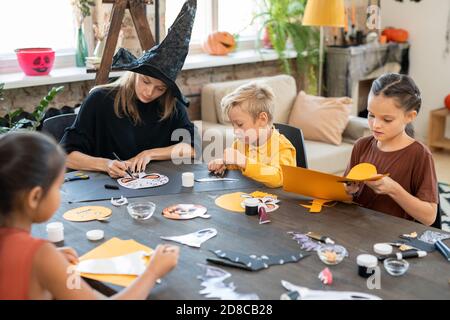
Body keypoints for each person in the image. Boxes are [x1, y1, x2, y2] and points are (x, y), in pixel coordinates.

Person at [0, 132, 179, 299]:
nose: (61, 193)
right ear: (35, 197)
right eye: (58, 187)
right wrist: (152, 272)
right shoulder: (42, 256)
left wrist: (51, 263)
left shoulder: (40, 256)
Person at [61, 0, 198, 178]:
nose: (149, 93)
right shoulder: (100, 100)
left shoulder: (170, 104)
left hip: (156, 187)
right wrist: (106, 164)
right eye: (146, 81)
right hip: (106, 190)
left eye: (160, 88)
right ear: (135, 73)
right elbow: (66, 155)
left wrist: (149, 153)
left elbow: (193, 147)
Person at [344, 73, 438, 225]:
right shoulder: (361, 146)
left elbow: (429, 217)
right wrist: (347, 191)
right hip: (356, 229)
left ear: (410, 116)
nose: (375, 125)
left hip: (393, 240)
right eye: (371, 115)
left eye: (386, 119)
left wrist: (394, 190)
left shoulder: (420, 155)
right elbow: (345, 195)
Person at [207, 82, 296, 188]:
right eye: (233, 125)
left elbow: (278, 178)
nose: (235, 131)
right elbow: (236, 169)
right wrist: (223, 164)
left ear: (262, 119)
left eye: (240, 124)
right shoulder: (240, 144)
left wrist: (243, 161)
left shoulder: (282, 147)